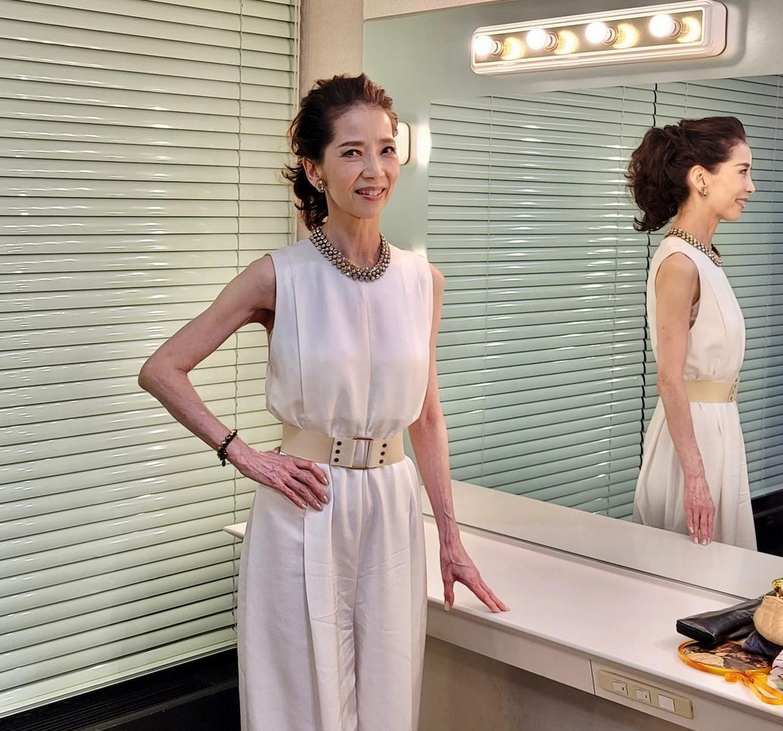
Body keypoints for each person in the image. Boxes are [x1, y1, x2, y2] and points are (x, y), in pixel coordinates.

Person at [138, 73, 508, 731]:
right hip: (305, 501)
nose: (374, 170)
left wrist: (450, 539)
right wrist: (245, 455)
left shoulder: (423, 281)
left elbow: (426, 417)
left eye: (386, 150)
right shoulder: (278, 276)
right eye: (351, 152)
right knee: (300, 700)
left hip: (392, 506)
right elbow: (162, 369)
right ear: (314, 169)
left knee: (389, 693)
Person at [627, 116, 757, 549]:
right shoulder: (680, 263)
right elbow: (669, 378)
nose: (750, 186)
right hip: (691, 443)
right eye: (742, 172)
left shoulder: (704, 257)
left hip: (719, 429)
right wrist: (695, 477)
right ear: (701, 179)